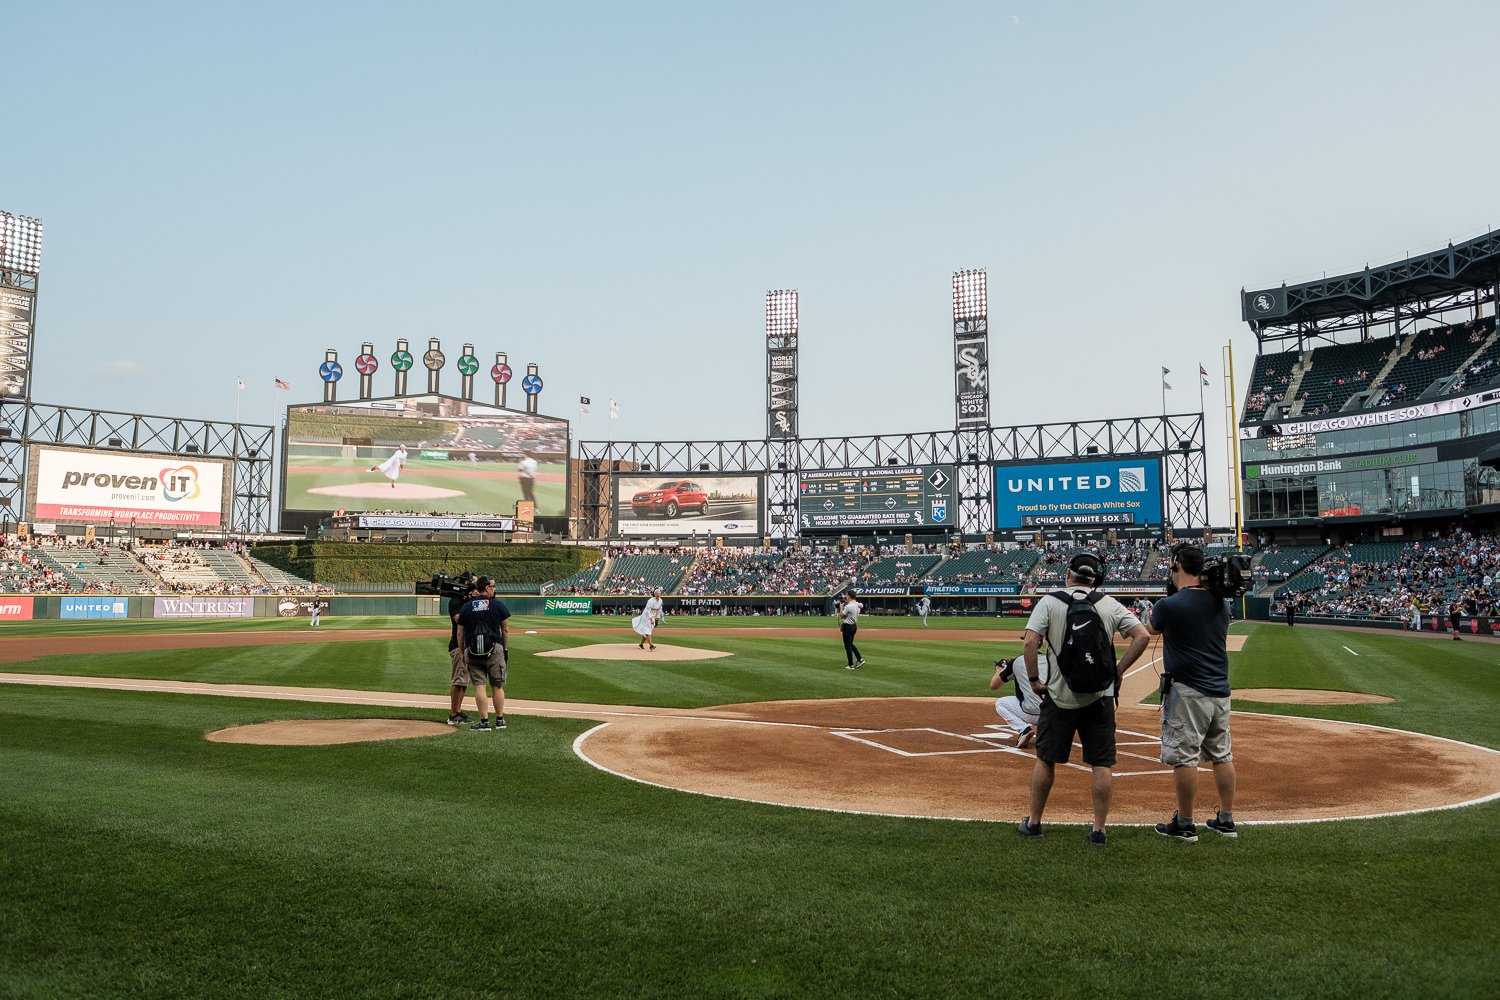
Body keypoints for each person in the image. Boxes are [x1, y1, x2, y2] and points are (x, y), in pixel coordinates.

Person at [1015, 553, 1149, 846]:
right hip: (1100, 696)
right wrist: (1119, 670)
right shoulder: (1109, 603)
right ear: (1094, 579)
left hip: (1059, 696)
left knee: (1046, 760)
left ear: (1068, 574)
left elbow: (1029, 642)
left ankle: (1034, 823)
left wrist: (1036, 680)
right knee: (1101, 763)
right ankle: (1099, 830)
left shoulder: (1049, 601)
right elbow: (1142, 636)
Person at [1147, 543, 1237, 842]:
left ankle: (1185, 823)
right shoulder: (1219, 602)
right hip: (1220, 691)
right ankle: (1226, 819)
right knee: (1222, 756)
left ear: (1176, 566)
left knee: (1185, 758)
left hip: (1187, 691)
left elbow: (1151, 629)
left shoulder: (1169, 605)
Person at [456, 576, 511, 731]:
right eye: (493, 586)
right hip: (495, 649)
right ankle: (499, 720)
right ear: (486, 588)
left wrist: (461, 652)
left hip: (472, 651)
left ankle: (484, 722)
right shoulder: (497, 605)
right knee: (497, 686)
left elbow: (460, 633)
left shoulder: (467, 607)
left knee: (479, 686)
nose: (494, 589)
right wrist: (504, 648)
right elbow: (505, 629)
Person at [445, 574, 479, 726]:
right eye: (473, 581)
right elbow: (460, 620)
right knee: (458, 679)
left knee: (464, 681)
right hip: (458, 646)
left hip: (467, 645)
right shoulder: (456, 601)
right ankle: (453, 714)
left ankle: (458, 710)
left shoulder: (466, 601)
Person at [991, 656, 1040, 747]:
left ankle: (1023, 729)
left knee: (1001, 703)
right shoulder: (1049, 660)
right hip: (1051, 714)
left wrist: (1000, 669)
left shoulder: (1016, 663)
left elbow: (994, 685)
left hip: (1030, 712)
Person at [839, 589, 865, 669]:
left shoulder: (848, 606)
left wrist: (841, 608)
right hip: (854, 626)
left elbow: (842, 616)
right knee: (850, 643)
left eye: (846, 595)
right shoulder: (856, 604)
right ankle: (860, 659)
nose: (845, 597)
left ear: (849, 596)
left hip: (848, 626)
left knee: (848, 646)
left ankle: (850, 665)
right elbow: (861, 605)